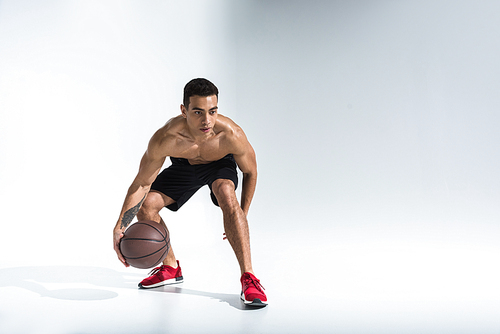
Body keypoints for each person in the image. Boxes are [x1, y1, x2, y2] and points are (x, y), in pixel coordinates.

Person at [112, 78, 267, 307]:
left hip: (219, 164)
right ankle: (170, 267)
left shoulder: (231, 135)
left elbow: (250, 172)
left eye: (212, 111)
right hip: (184, 166)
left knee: (225, 190)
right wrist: (120, 227)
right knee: (147, 205)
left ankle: (249, 278)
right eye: (198, 112)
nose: (207, 121)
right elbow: (141, 185)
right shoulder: (166, 138)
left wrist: (241, 213)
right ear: (183, 111)